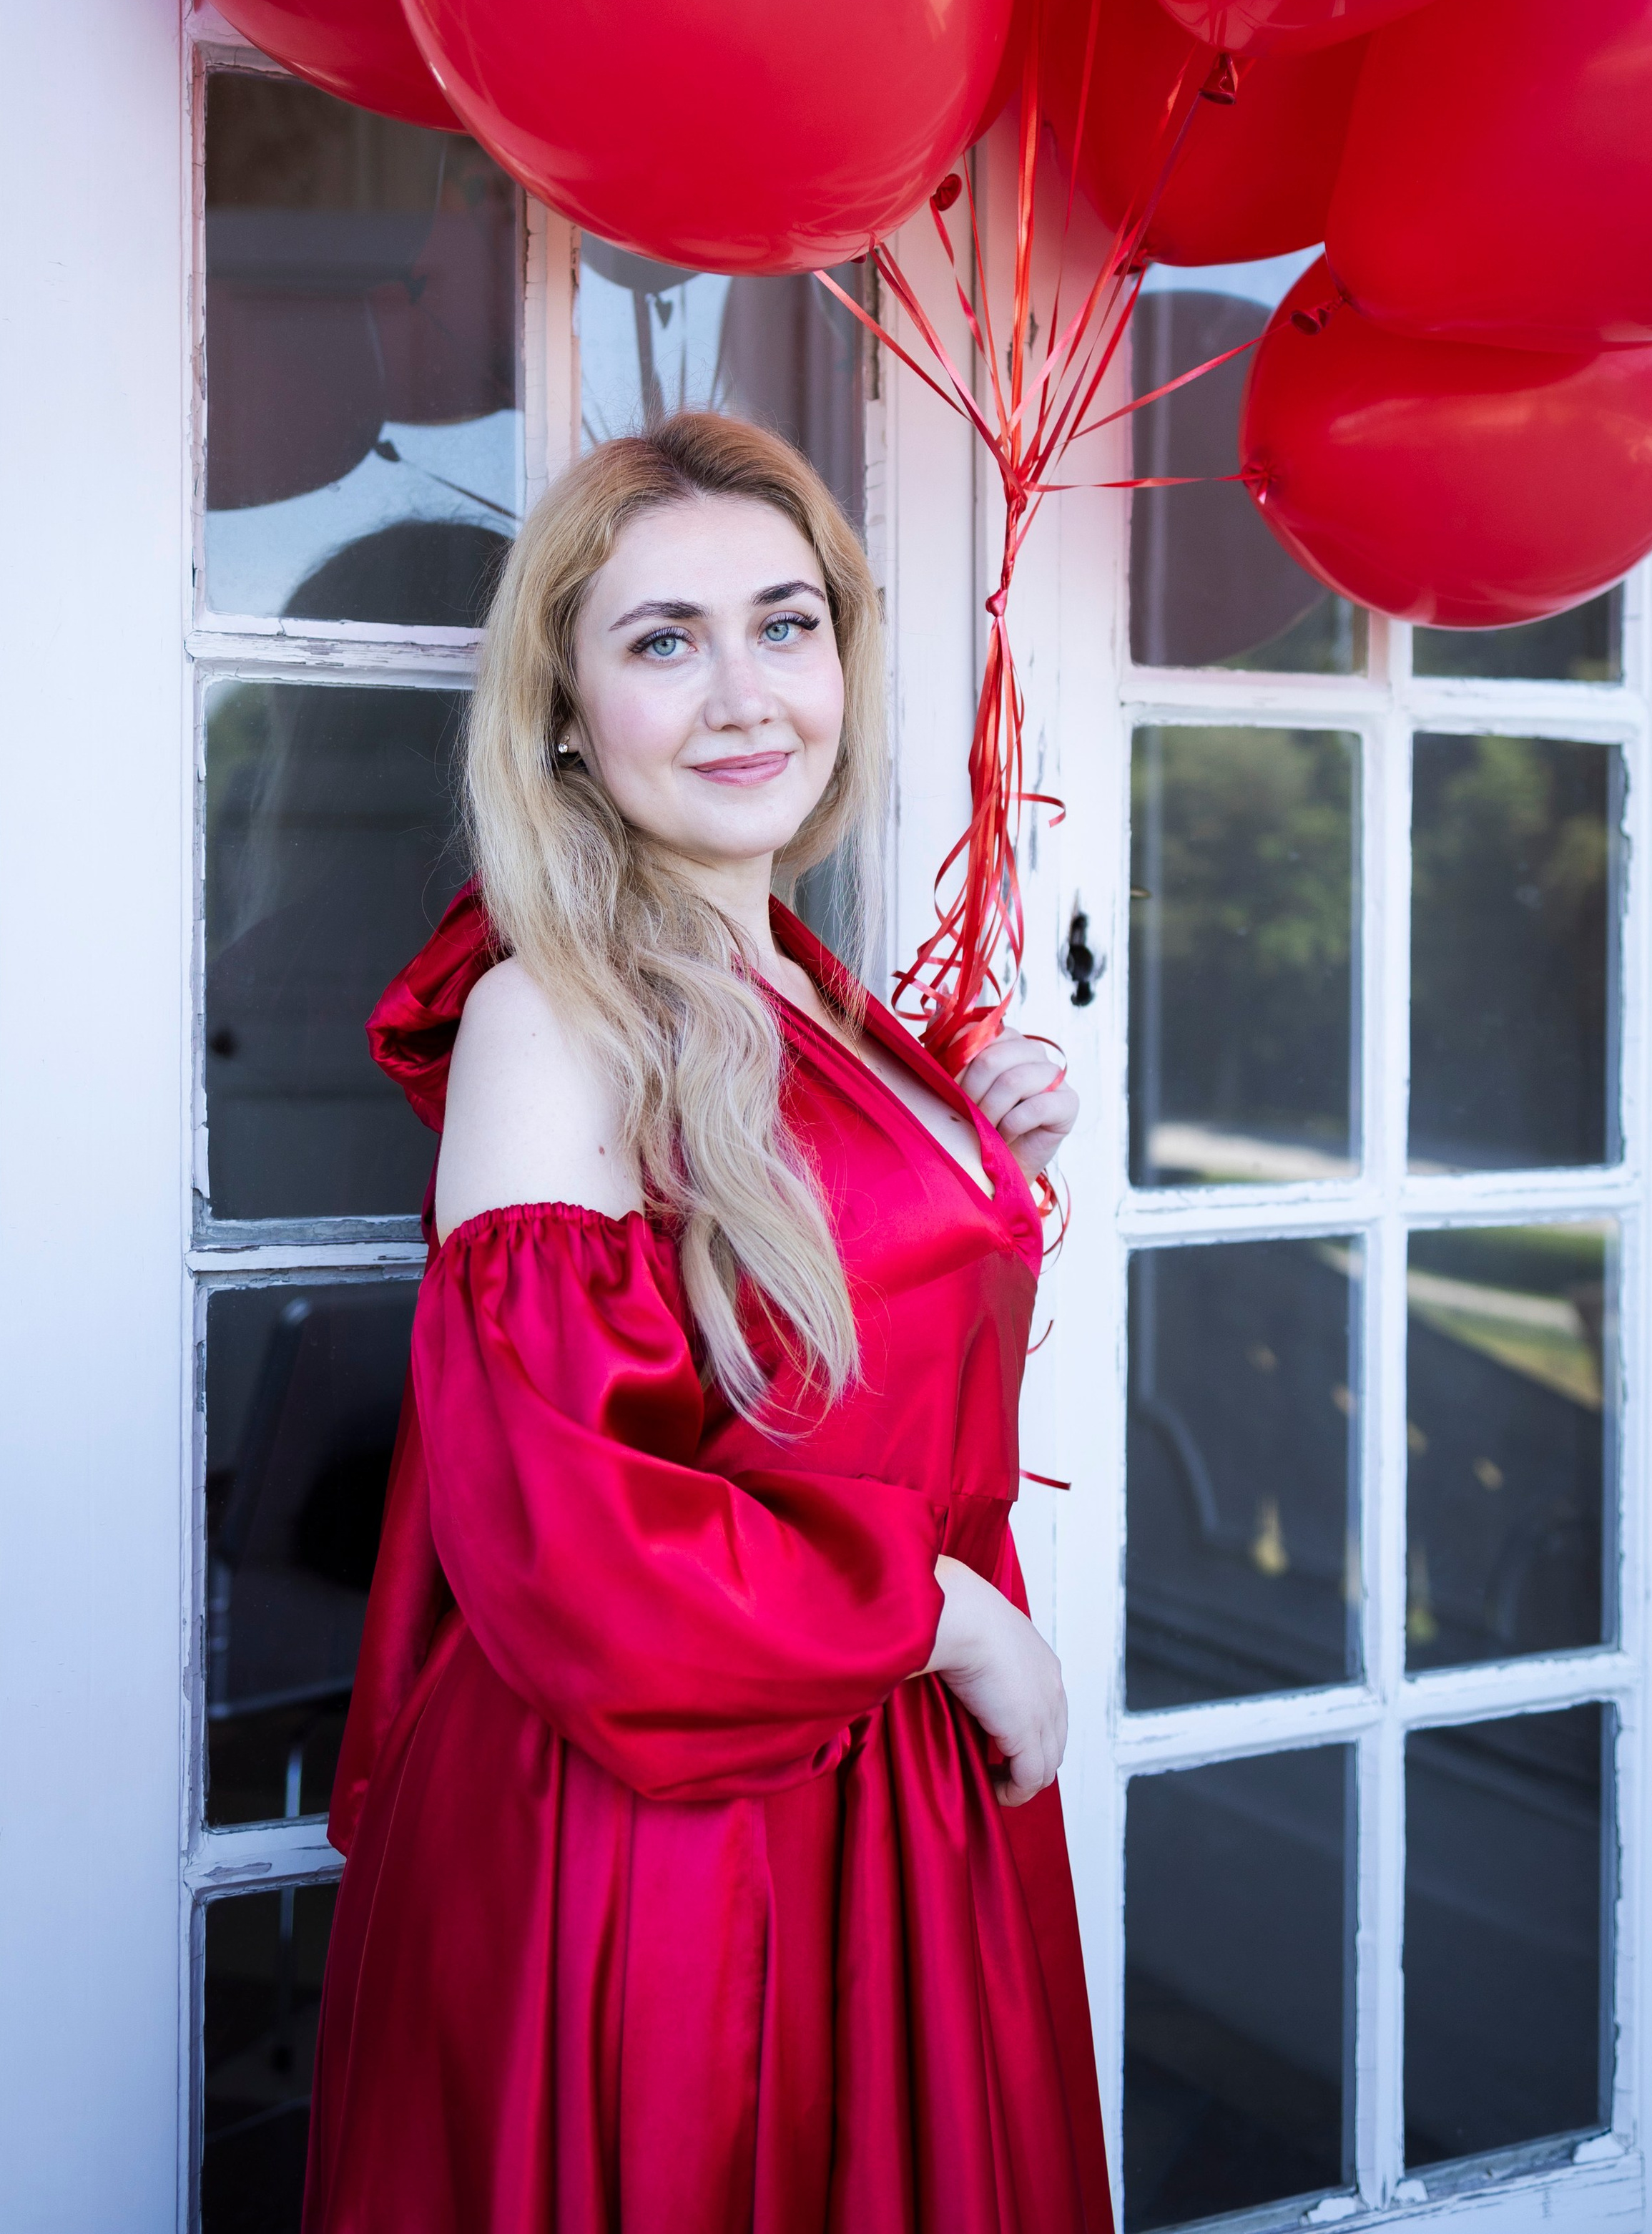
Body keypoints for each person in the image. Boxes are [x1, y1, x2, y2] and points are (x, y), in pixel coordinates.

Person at [304, 412, 1112, 2234]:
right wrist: (946, 1618)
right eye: (664, 640)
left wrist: (963, 1159)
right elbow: (568, 1536)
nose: (746, 695)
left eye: (784, 623)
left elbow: (819, 1370)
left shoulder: (803, 991)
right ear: (565, 711)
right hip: (675, 1840)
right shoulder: (550, 1016)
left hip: (868, 1775)